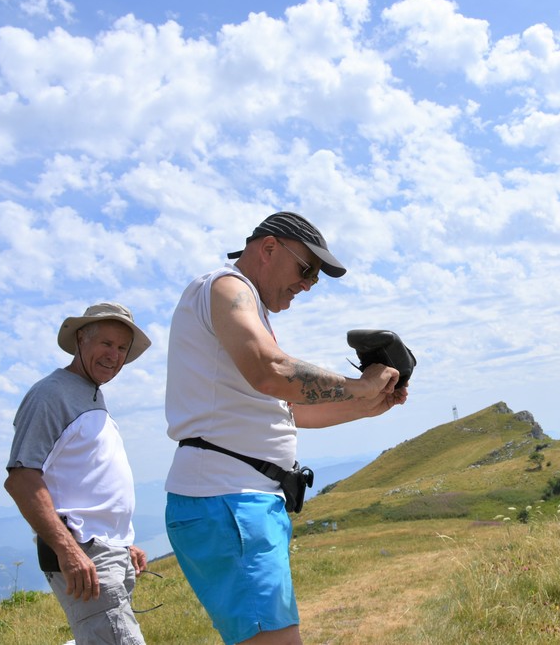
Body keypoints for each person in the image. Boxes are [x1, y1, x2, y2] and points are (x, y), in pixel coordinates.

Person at [164, 211, 408, 645]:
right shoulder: (227, 287)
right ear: (269, 248)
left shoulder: (244, 310)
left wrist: (367, 404)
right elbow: (269, 369)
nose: (310, 283)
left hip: (236, 501)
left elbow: (288, 409)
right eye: (306, 268)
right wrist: (358, 384)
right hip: (230, 501)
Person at [5, 302, 153, 645]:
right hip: (85, 554)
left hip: (103, 549)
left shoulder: (91, 395)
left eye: (121, 348)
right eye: (106, 343)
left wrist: (122, 541)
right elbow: (21, 478)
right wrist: (69, 551)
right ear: (81, 340)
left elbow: (83, 481)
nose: (114, 355)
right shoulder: (51, 394)